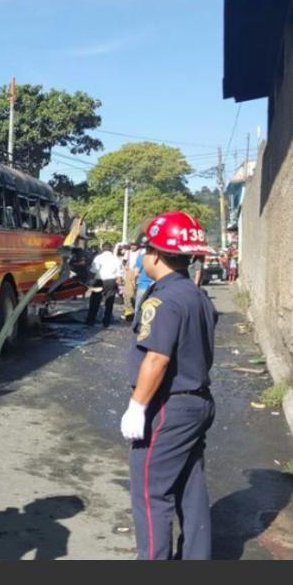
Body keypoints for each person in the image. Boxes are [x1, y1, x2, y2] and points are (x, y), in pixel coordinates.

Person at [119, 211, 217, 560]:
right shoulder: (196, 295)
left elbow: (157, 359)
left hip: (169, 408)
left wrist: (137, 406)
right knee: (190, 485)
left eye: (145, 250)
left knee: (151, 492)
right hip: (198, 402)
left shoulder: (164, 300)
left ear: (155, 254)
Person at [86, 242, 123, 327]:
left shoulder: (98, 258)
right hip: (111, 281)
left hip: (99, 281)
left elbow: (93, 271)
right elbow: (119, 274)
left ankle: (91, 321)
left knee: (95, 301)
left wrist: (90, 281)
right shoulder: (116, 259)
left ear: (103, 248)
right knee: (109, 302)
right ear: (111, 249)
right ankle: (106, 322)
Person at [133, 234, 153, 310]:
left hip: (142, 286)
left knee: (138, 307)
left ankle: (136, 321)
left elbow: (136, 273)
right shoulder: (158, 257)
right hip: (153, 287)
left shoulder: (141, 257)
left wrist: (135, 284)